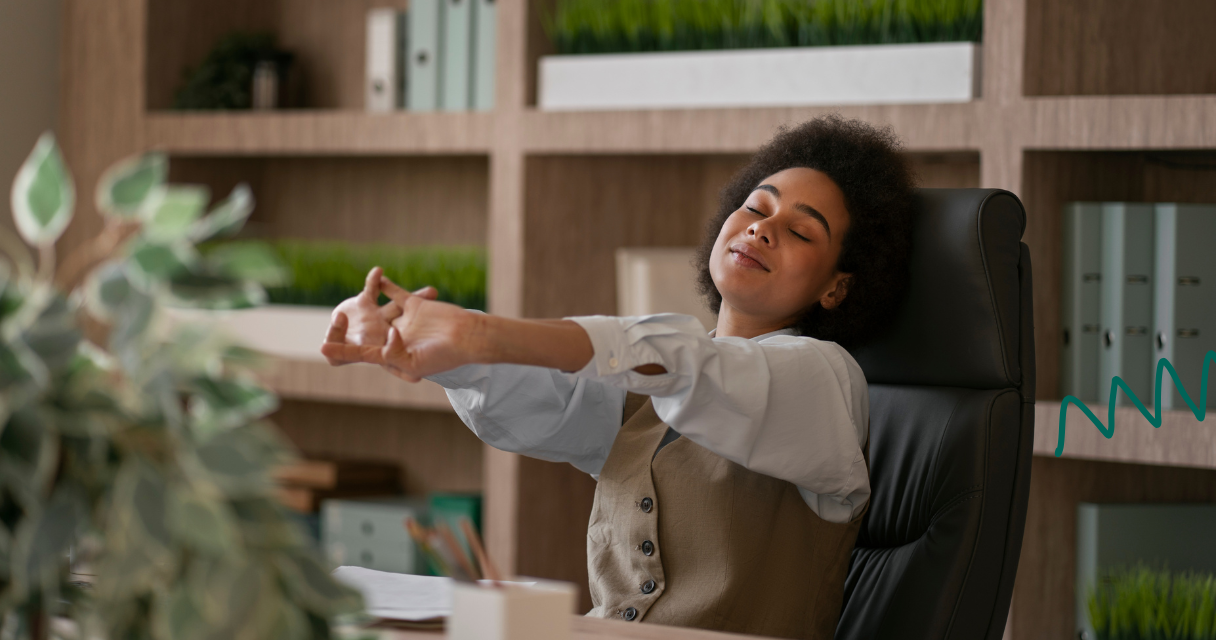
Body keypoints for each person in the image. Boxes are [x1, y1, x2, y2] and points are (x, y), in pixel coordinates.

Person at [320, 114, 917, 639]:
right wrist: (426, 338)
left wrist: (481, 332)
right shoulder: (654, 385)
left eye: (801, 230)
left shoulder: (826, 381)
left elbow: (694, 368)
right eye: (756, 208)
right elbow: (544, 396)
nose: (763, 228)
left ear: (839, 285)